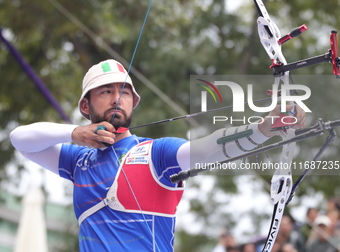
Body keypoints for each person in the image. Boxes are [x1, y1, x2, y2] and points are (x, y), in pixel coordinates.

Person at [10, 59, 306, 252]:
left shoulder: (155, 153)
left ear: (133, 103)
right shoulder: (78, 160)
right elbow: (20, 139)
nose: (117, 98)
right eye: (106, 91)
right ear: (86, 107)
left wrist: (263, 128)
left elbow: (207, 147)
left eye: (124, 92)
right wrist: (75, 134)